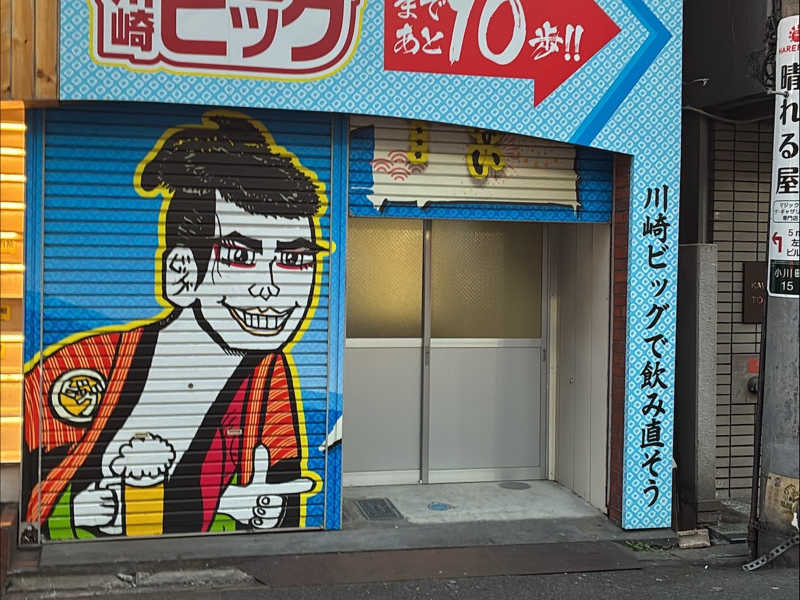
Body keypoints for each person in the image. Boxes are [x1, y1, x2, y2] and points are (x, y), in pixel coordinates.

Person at [22, 111, 325, 538]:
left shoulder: (266, 378)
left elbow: (280, 492)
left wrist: (260, 512)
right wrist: (74, 513)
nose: (271, 287)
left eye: (294, 259)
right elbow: (24, 476)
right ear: (182, 274)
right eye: (240, 256)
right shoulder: (93, 363)